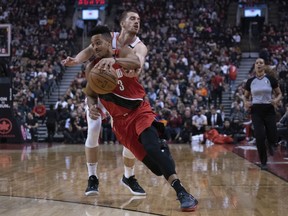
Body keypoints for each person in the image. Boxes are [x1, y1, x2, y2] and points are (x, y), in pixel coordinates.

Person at [85, 25, 198, 212]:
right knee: (156, 167)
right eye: (92, 44)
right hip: (120, 123)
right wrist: (91, 106)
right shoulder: (91, 68)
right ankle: (162, 148)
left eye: (98, 43)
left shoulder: (121, 51)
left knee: (152, 147)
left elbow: (136, 63)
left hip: (139, 111)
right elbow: (90, 93)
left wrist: (114, 61)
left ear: (107, 42)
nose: (95, 47)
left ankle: (182, 192)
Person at [62, 10, 146, 196]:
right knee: (93, 126)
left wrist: (118, 62)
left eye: (139, 20)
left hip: (122, 94)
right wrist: (76, 60)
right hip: (100, 92)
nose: (136, 22)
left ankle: (129, 176)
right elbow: (89, 50)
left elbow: (136, 64)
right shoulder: (107, 38)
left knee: (129, 137)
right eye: (132, 18)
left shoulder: (139, 46)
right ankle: (92, 177)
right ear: (122, 23)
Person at [244, 58, 282, 170]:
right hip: (256, 110)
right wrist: (245, 102)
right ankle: (263, 162)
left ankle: (271, 143)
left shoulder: (270, 79)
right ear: (255, 66)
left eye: (261, 63)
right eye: (257, 63)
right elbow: (245, 96)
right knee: (259, 137)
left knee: (273, 135)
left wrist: (276, 101)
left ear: (264, 66)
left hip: (269, 109)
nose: (259, 64)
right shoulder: (250, 81)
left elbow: (279, 94)